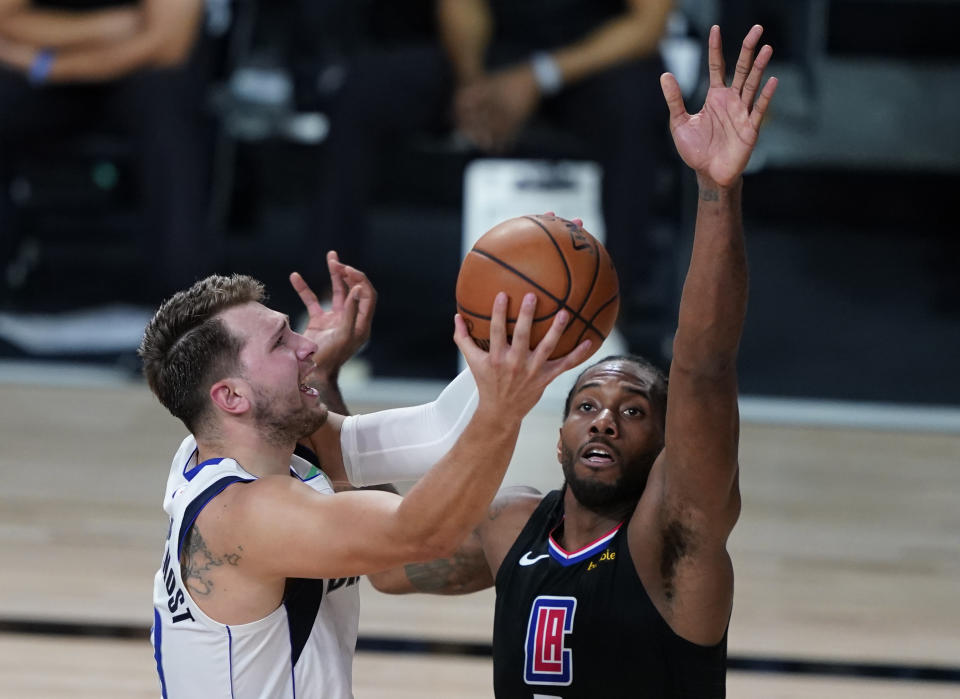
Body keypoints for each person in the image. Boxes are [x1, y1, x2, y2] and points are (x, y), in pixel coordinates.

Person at [369, 25, 778, 698]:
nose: (605, 421)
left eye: (634, 409)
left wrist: (715, 191)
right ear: (558, 437)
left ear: (671, 443)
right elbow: (386, 559)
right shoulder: (511, 527)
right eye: (587, 405)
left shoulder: (674, 540)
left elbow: (704, 366)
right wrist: (316, 393)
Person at [139, 247, 593, 697]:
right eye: (281, 342)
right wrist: (501, 408)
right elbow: (421, 534)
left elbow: (436, 434)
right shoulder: (243, 515)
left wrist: (526, 328)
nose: (307, 344)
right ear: (232, 398)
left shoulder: (234, 446)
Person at [0, 0, 214, 299]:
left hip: (140, 76)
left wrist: (52, 65)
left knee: (167, 106)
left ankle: (187, 299)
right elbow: (4, 21)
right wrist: (107, 27)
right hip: (48, 76)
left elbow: (168, 45)